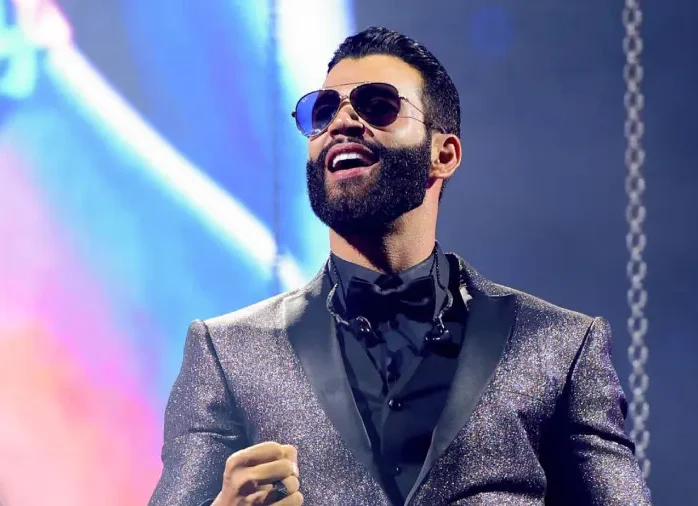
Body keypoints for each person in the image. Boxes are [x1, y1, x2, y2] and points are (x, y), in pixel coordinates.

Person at [149, 26, 652, 506]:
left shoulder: (560, 347)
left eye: (378, 105)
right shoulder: (227, 353)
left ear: (444, 153)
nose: (341, 123)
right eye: (322, 111)